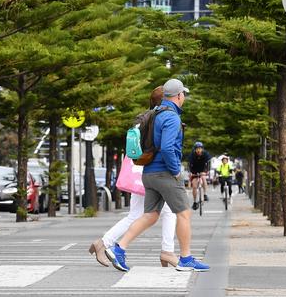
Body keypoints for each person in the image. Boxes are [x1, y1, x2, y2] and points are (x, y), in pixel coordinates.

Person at [107, 78, 210, 272]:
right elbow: (167, 147)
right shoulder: (172, 117)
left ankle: (119, 248)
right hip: (165, 173)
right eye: (184, 94)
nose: (184, 97)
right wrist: (176, 171)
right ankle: (186, 258)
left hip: (149, 172)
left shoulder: (154, 113)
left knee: (151, 215)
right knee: (184, 213)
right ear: (179, 95)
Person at [90, 86, 178, 268]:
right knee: (170, 211)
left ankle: (104, 243)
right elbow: (163, 146)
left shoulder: (142, 118)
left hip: (139, 169)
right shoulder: (159, 119)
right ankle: (167, 252)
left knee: (136, 214)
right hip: (153, 170)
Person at [188, 142, 212, 210]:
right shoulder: (192, 155)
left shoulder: (205, 154)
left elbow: (209, 163)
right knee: (194, 186)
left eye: (200, 148)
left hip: (203, 170)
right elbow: (189, 164)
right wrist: (190, 172)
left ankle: (205, 194)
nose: (199, 150)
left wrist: (207, 171)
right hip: (194, 171)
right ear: (195, 149)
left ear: (202, 149)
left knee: (204, 178)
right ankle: (195, 202)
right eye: (197, 149)